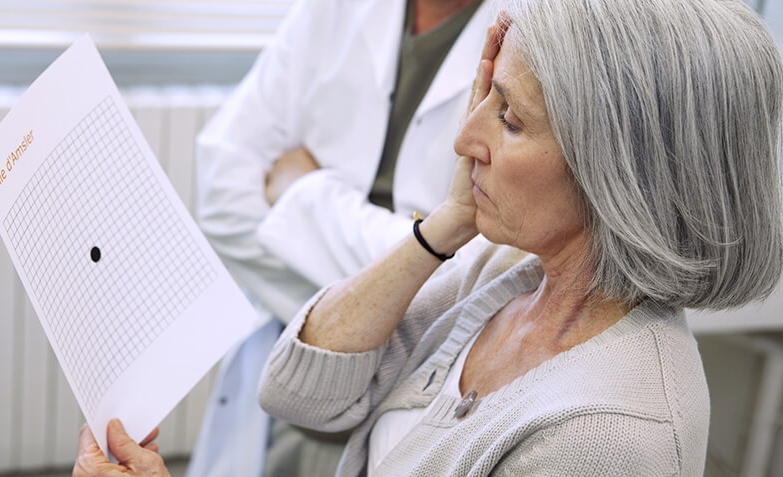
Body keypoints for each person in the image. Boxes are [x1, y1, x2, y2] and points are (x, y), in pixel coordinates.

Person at [73, 0, 783, 475]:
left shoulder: (609, 435)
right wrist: (442, 224)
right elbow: (297, 390)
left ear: (619, 170)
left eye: (507, 119)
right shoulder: (504, 274)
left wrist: (300, 193)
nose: (464, 139)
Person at [187, 0, 500, 476]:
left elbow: (488, 268)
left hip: (425, 414)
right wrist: (410, 267)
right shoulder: (328, 10)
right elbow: (222, 195)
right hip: (291, 395)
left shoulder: (540, 29)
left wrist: (304, 194)